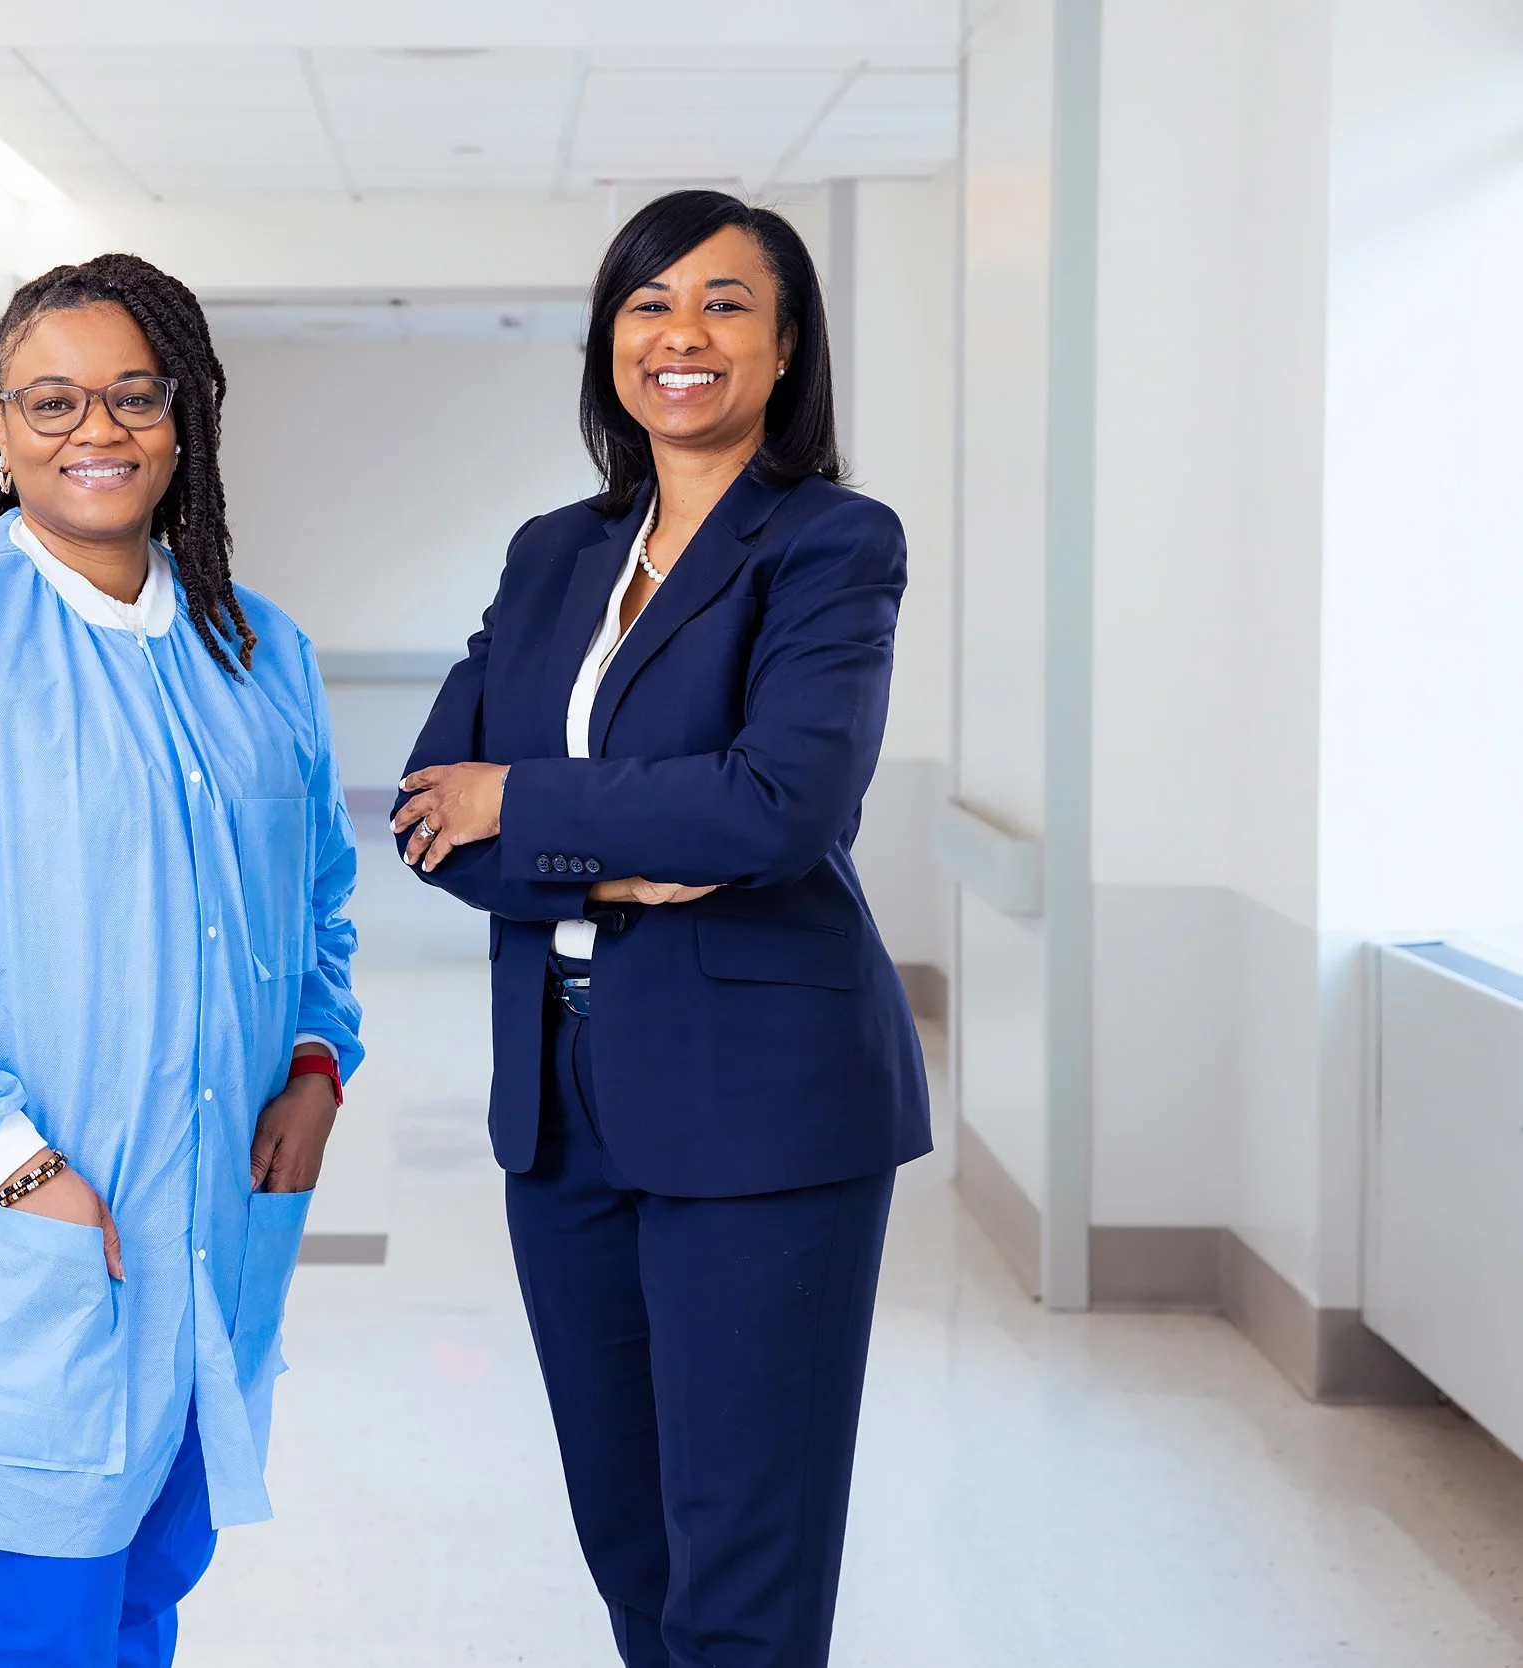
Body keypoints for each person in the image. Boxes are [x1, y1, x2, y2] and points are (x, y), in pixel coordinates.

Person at [0, 253, 360, 1668]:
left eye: (132, 396)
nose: (94, 430)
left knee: (150, 1589)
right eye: (51, 400)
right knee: (24, 1630)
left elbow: (318, 906)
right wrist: (18, 1169)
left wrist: (319, 1063)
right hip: (28, 1247)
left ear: (183, 417)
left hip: (210, 1238)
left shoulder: (259, 652)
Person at [390, 190, 931, 1667]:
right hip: (560, 1106)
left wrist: (535, 805)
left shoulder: (828, 544)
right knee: (628, 1534)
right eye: (647, 304)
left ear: (785, 342)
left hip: (764, 1101)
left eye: (724, 303)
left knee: (741, 1553)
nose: (680, 334)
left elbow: (778, 809)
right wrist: (614, 862)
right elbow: (435, 814)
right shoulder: (551, 553)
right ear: (609, 342)